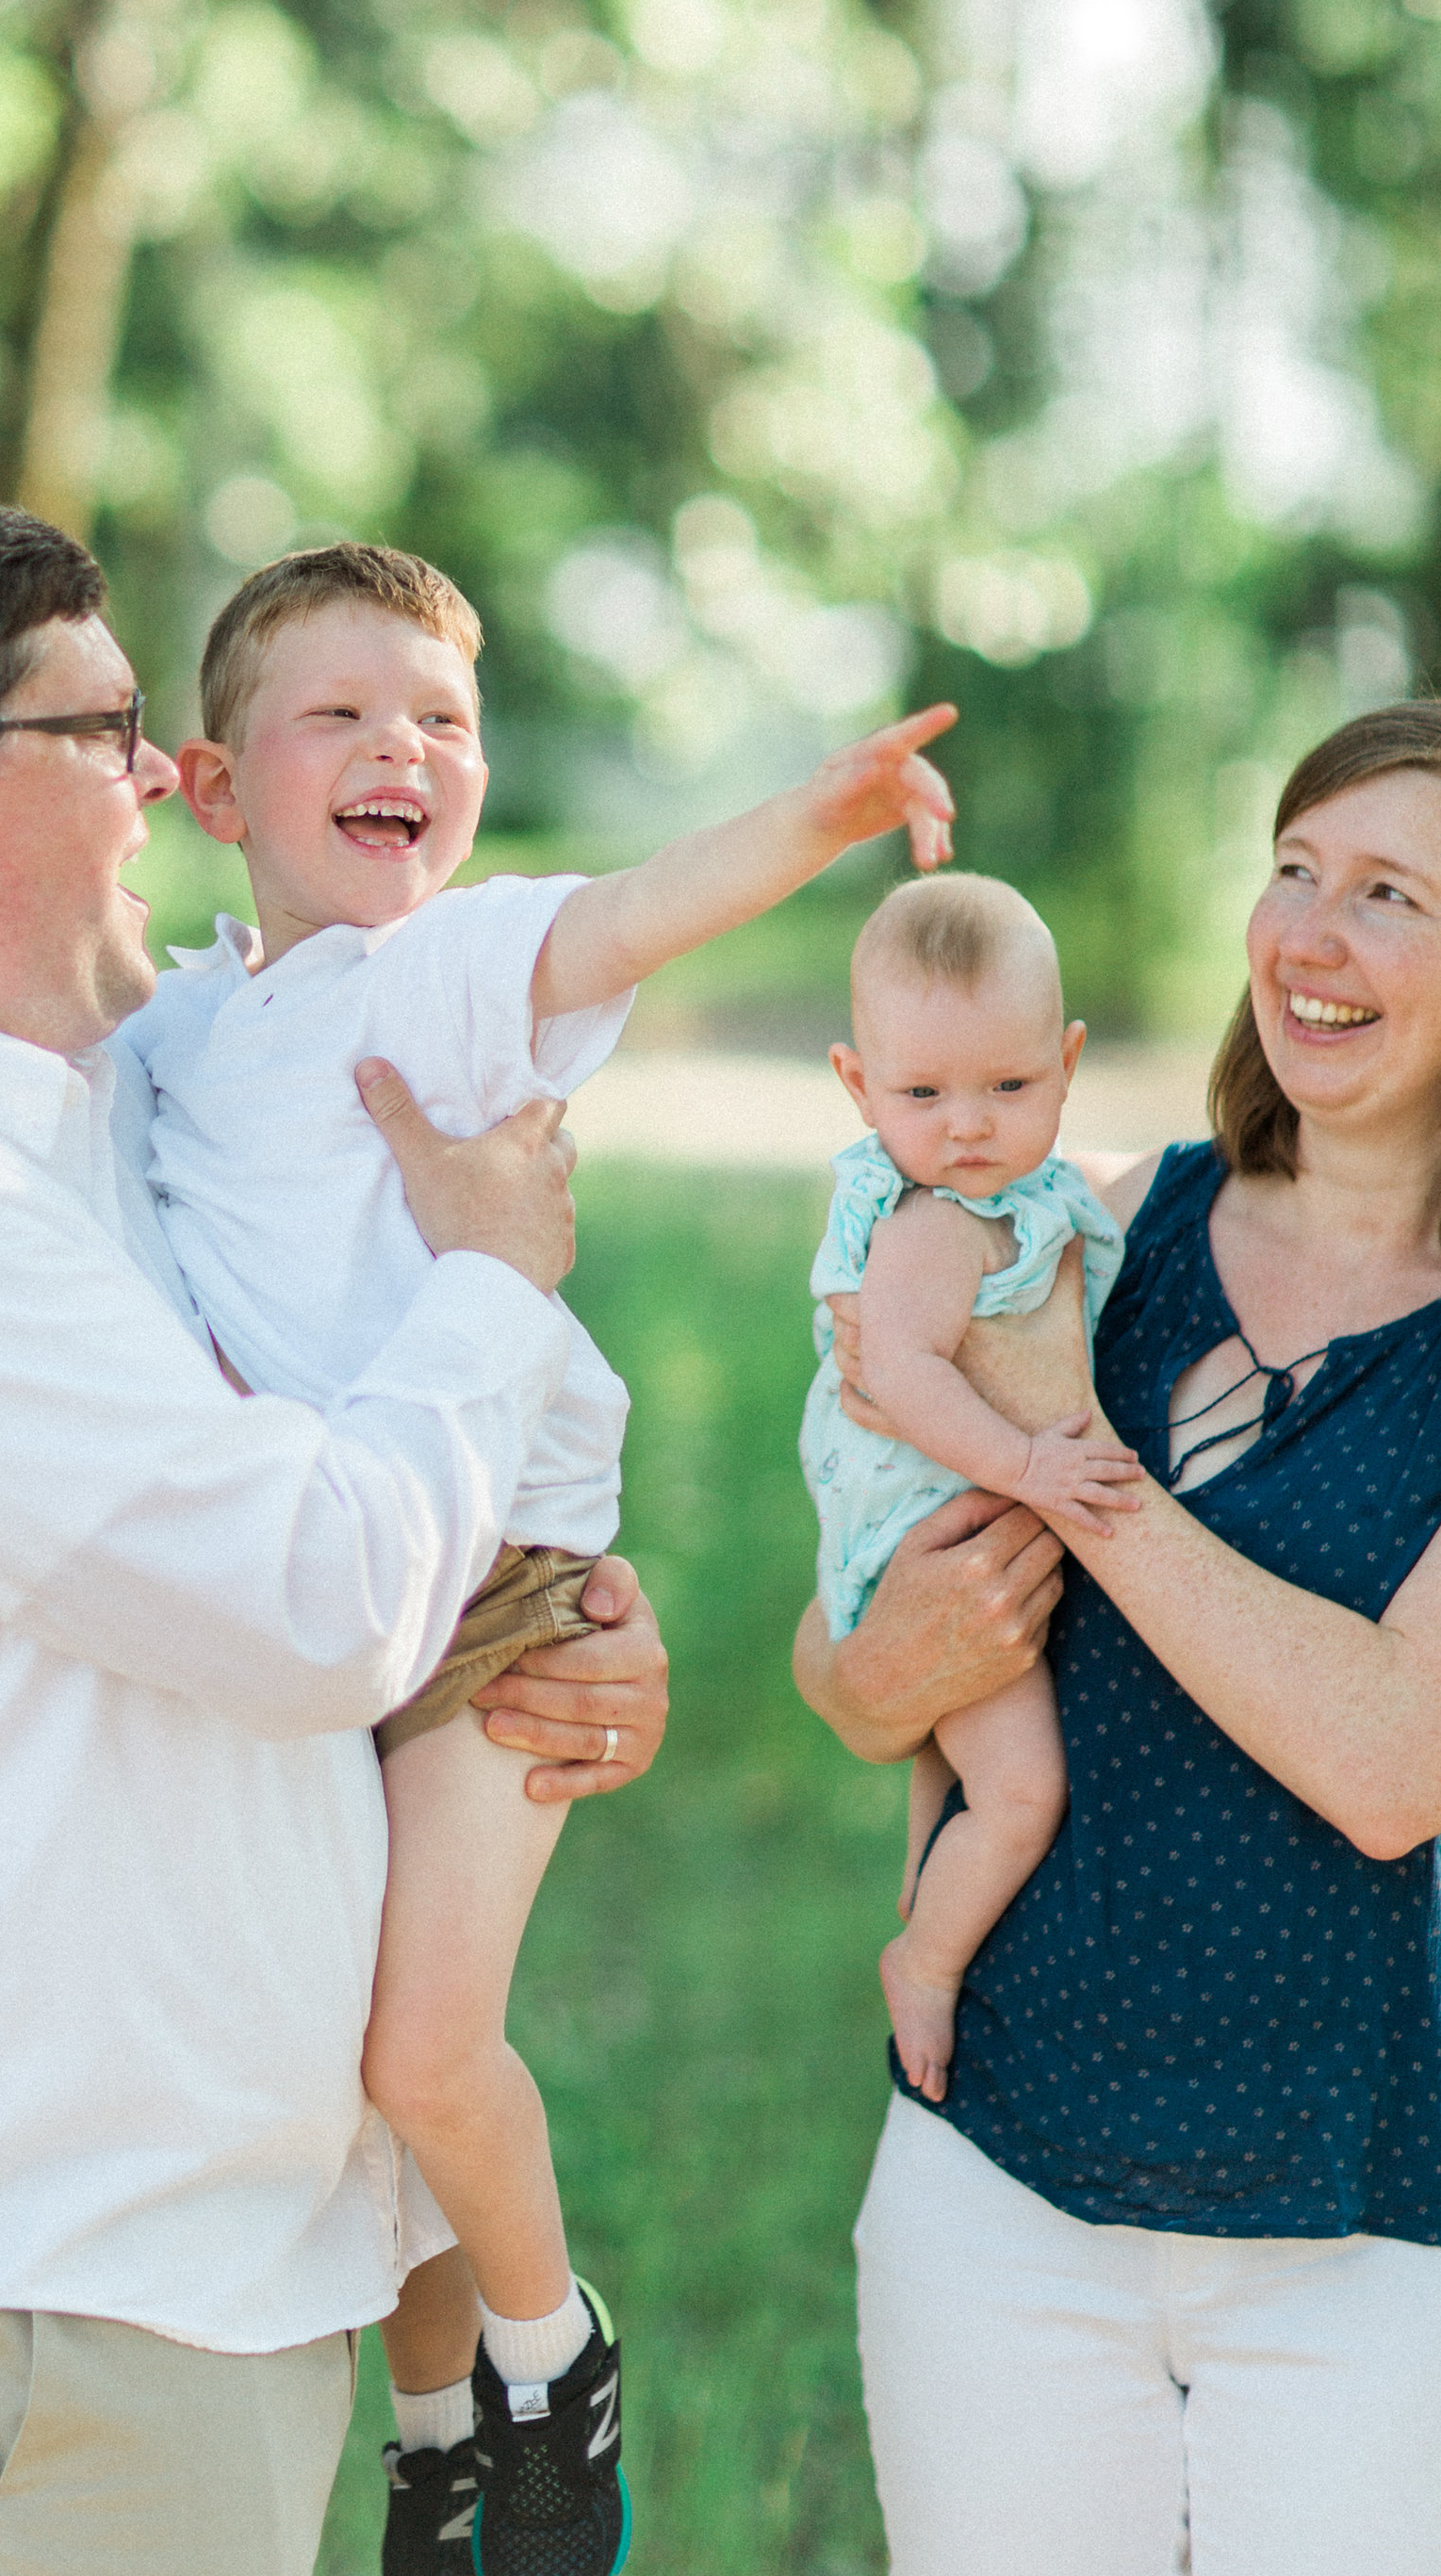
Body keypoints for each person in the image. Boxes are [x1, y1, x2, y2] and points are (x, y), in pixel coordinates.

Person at [0, 497, 673, 2576]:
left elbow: (307, 1527)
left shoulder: (80, 1119)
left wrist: (539, 1633)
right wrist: (495, 1285)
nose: (162, 786)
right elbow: (312, 1601)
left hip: (177, 2275)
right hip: (27, 2306)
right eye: (106, 731)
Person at [126, 541, 958, 2575]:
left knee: (424, 2042)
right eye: (340, 713)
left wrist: (826, 820)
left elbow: (622, 914)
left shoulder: (437, 972)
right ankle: (431, 2445)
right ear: (219, 789)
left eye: (443, 721)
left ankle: (550, 2357)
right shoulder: (170, 1028)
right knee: (351, 2071)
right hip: (320, 1587)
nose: (405, 745)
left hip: (495, 1590)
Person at [797, 704, 1441, 2576]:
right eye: (1296, 872)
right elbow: (844, 1670)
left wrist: (1089, 1489)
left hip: (1361, 2233)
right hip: (996, 2178)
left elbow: (1396, 1767)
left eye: (1391, 895)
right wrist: (880, 1669)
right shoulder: (1099, 1222)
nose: (1309, 938)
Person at [799, 871, 1134, 2102]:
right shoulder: (935, 1221)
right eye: (922, 1094)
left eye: (1010, 1086)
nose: (969, 1127)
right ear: (857, 1086)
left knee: (951, 1765)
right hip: (925, 1532)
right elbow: (904, 1377)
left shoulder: (1023, 1192)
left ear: (1068, 1059)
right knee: (1024, 1787)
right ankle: (926, 1962)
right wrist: (1033, 1462)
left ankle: (929, 1857)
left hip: (945, 1520)